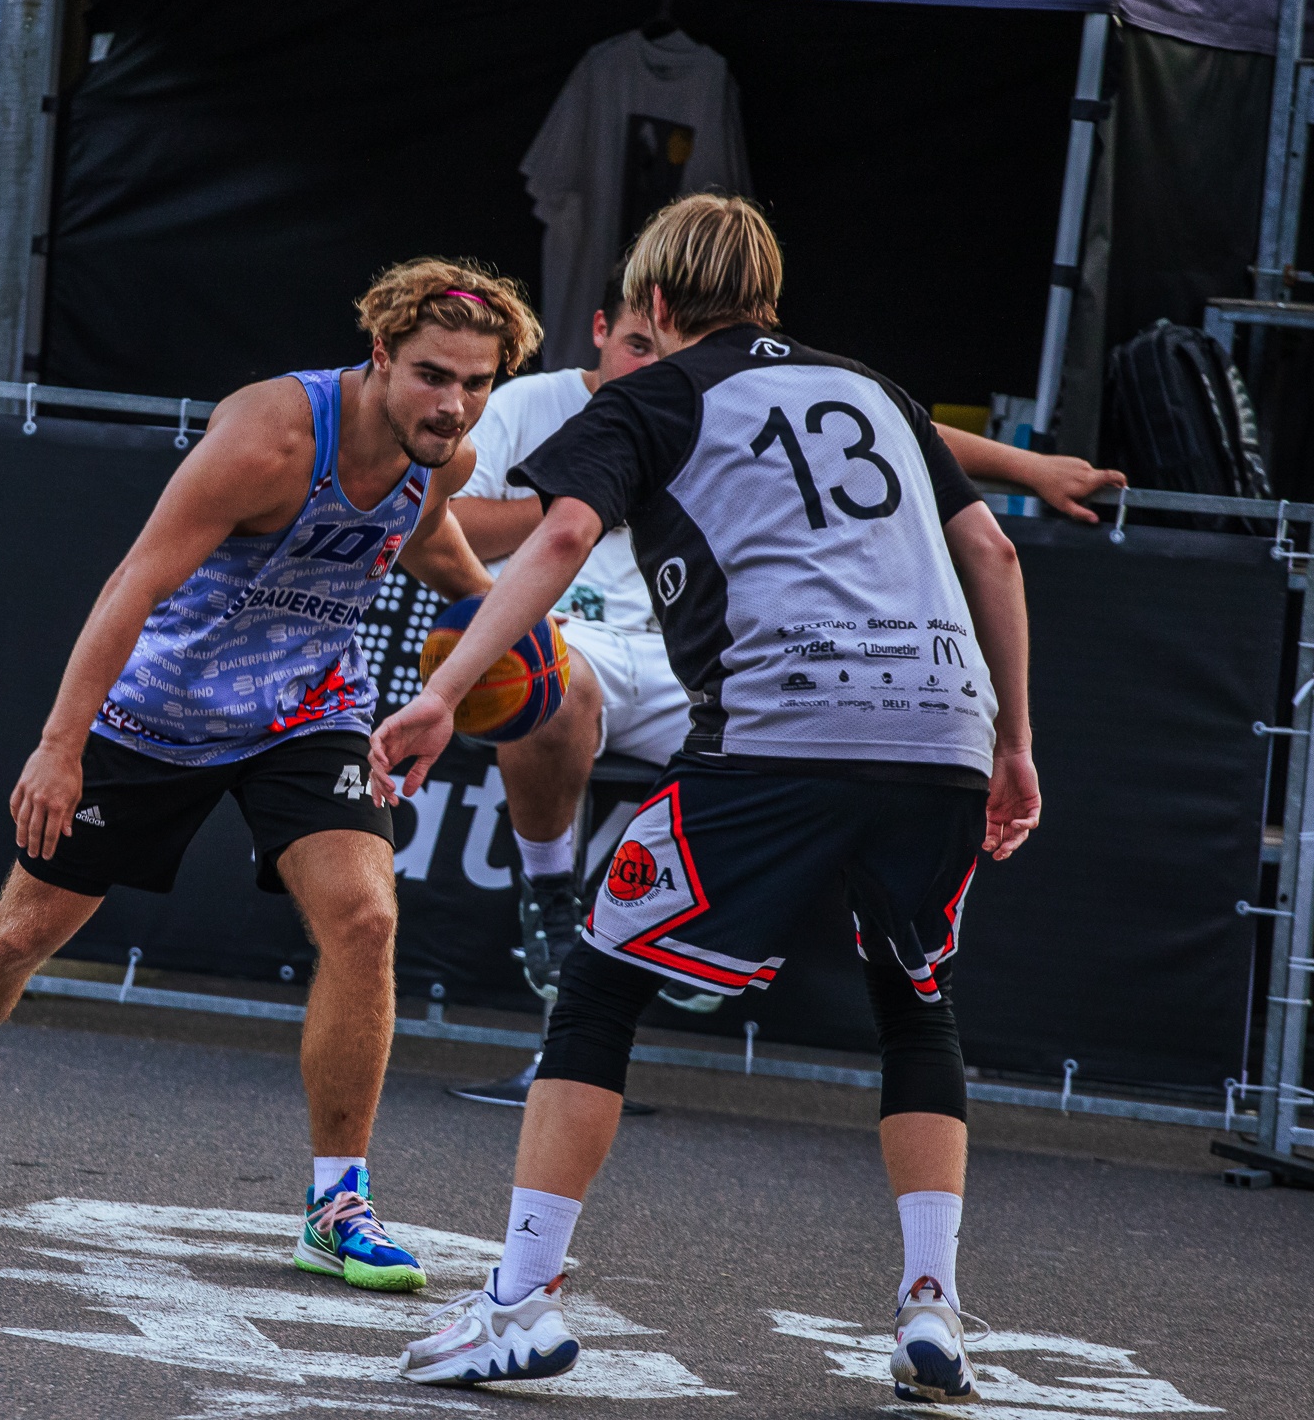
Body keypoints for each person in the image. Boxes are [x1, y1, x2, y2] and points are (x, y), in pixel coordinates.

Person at [374, 194, 1039, 1404]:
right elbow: (992, 552)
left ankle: (519, 1301)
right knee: (914, 1002)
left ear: (653, 302)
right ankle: (931, 1304)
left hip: (789, 729)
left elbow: (559, 538)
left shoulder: (655, 394)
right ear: (770, 296)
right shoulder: (876, 390)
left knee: (598, 987)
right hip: (945, 727)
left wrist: (446, 689)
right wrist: (1016, 742)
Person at [0, 260, 540, 1293]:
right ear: (379, 356)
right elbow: (134, 582)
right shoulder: (272, 439)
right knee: (22, 932)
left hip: (309, 711)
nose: (453, 403)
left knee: (365, 920)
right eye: (432, 376)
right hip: (158, 712)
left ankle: (337, 1204)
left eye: (477, 382)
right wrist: (61, 746)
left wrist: (500, 620)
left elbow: (423, 532)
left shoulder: (442, 455)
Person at [461, 266, 1119, 1016]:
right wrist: (583, 495)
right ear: (600, 331)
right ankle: (549, 893)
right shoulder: (555, 404)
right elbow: (451, 517)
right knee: (548, 684)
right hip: (584, 642)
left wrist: (1027, 468)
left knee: (794, 733)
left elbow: (894, 428)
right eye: (634, 346)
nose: (651, 363)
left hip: (700, 664)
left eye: (659, 347)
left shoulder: (715, 391)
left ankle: (715, 929)